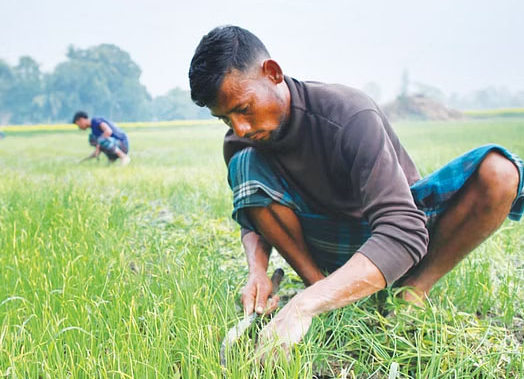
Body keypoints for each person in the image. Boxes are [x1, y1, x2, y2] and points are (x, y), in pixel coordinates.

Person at [188, 26, 523, 360]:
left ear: (273, 73)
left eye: (244, 109)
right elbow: (253, 213)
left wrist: (301, 308)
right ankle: (318, 285)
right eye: (225, 119)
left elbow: (403, 231)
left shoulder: (349, 114)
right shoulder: (239, 143)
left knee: (499, 172)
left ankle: (414, 291)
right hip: (324, 240)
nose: (240, 128)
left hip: (397, 241)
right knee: (243, 164)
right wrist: (257, 271)